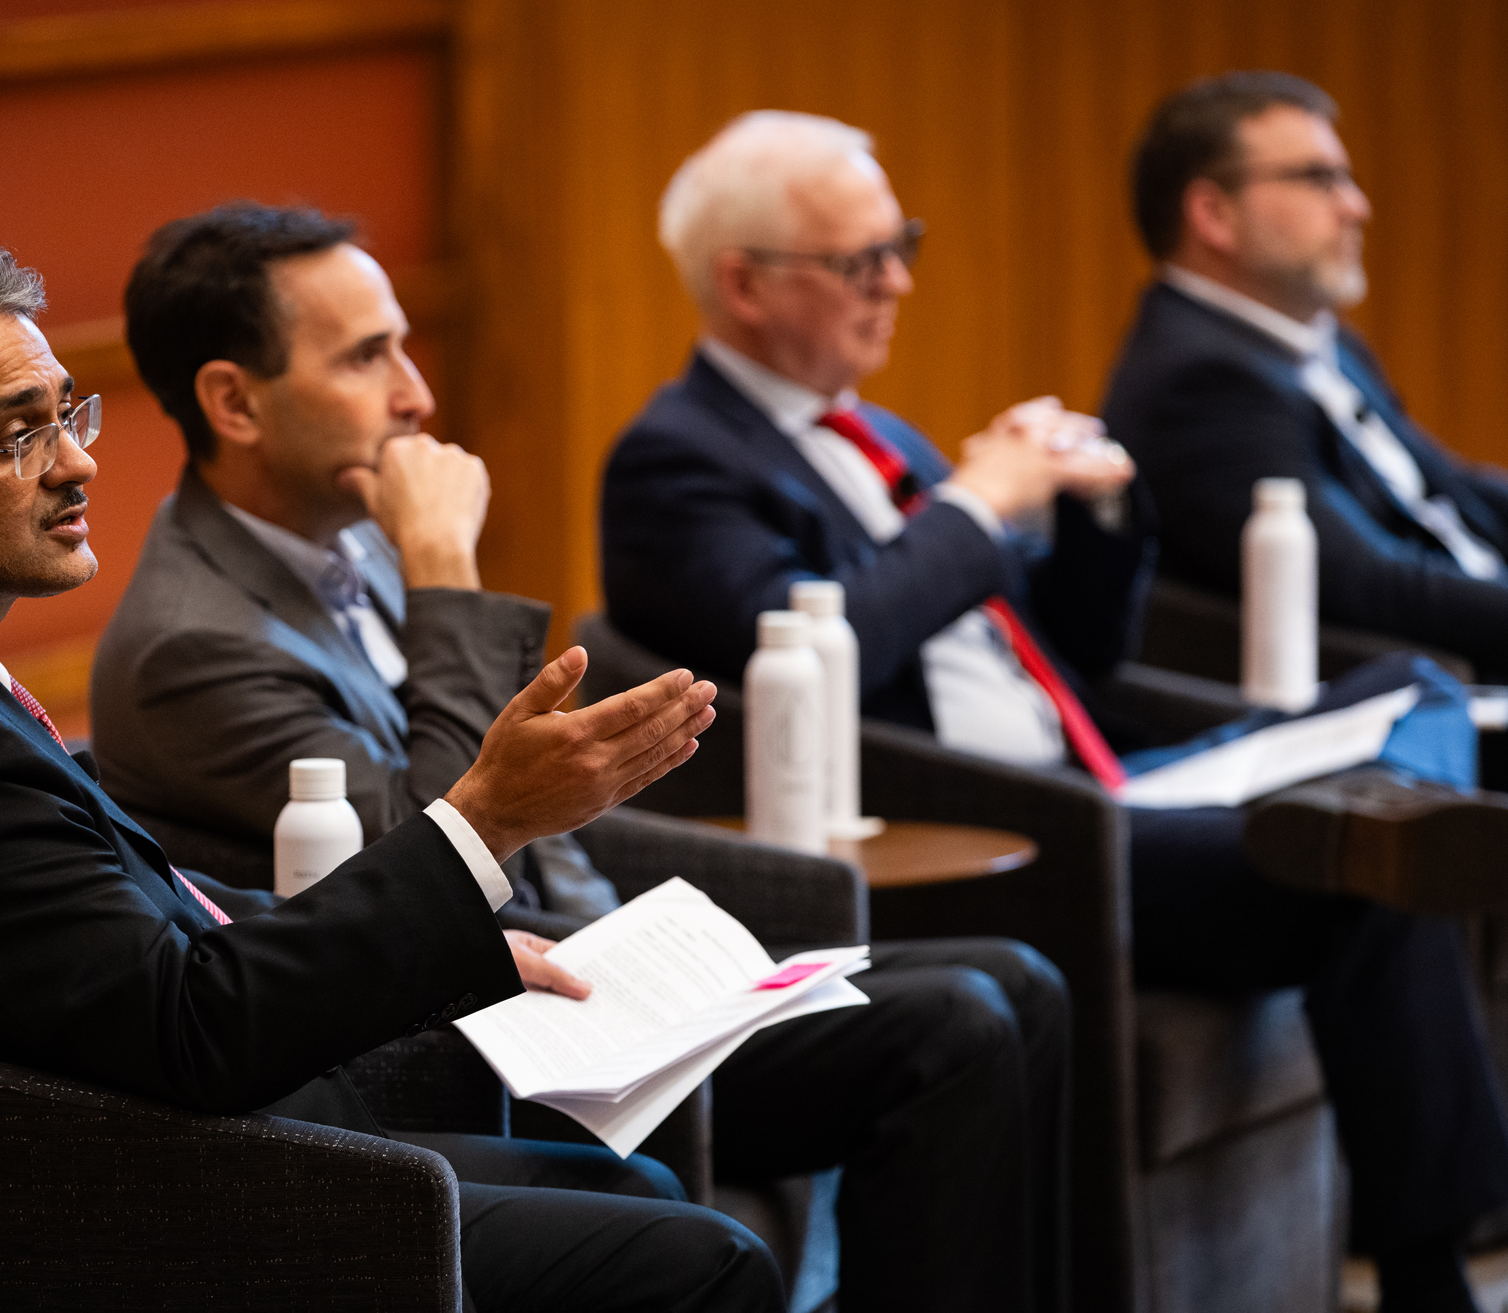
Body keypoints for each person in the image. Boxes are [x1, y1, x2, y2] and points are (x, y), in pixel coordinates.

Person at [0, 232, 788, 1313]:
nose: (77, 461)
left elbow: (120, 924)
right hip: (94, 1218)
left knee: (626, 1185)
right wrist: (480, 821)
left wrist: (453, 939)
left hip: (87, 1143)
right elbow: (192, 1026)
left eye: (68, 413)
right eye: (17, 435)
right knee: (700, 1258)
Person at [600, 109, 1508, 1313]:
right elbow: (816, 661)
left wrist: (1092, 514)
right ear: (744, 284)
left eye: (900, 243)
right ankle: (1429, 1271)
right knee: (1363, 858)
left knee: (1405, 695)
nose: (898, 283)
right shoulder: (674, 462)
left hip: (1101, 766)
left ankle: (1424, 1244)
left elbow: (1059, 657)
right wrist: (973, 509)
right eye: (860, 260)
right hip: (1009, 830)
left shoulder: (876, 435)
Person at [98, 201, 1073, 1313]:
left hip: (581, 954)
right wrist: (444, 570)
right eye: (367, 358)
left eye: (402, 346)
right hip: (471, 1024)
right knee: (955, 1025)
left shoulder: (341, 536)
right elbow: (437, 858)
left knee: (1018, 979)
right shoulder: (193, 642)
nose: (415, 394)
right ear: (233, 400)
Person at [1104, 71, 1508, 693]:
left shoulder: (1319, 343)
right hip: (1433, 699)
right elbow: (1371, 583)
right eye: (1320, 179)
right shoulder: (1200, 383)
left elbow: (1444, 490)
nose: (1356, 206)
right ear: (1214, 214)